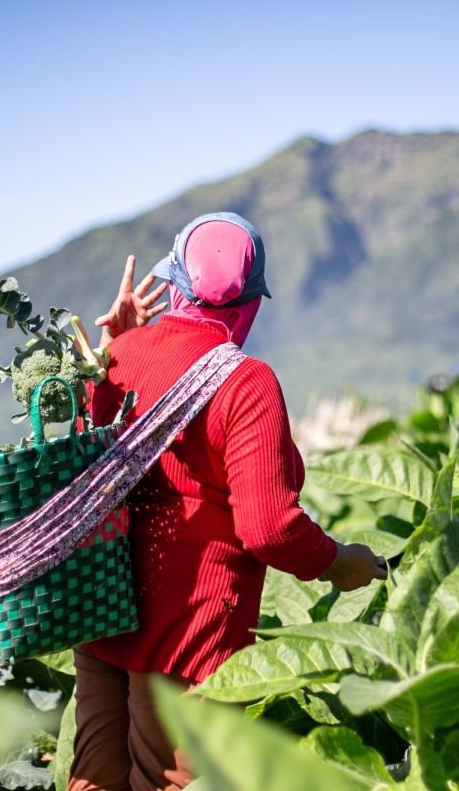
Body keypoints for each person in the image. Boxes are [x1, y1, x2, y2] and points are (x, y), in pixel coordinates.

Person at [66, 212, 387, 791]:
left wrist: (116, 350)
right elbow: (268, 528)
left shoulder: (120, 355)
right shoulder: (246, 382)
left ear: (175, 286)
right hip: (190, 637)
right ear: (250, 303)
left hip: (105, 609)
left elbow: (89, 461)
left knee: (93, 781)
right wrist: (339, 563)